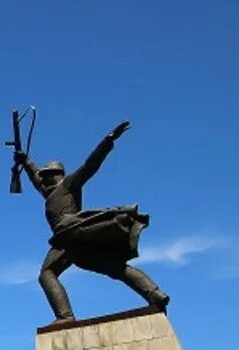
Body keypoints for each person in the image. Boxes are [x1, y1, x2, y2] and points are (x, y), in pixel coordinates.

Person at [14, 121, 170, 325]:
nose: (43, 179)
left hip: (70, 234)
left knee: (47, 274)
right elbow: (35, 179)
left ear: (57, 175)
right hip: (76, 244)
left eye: (47, 175)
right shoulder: (49, 193)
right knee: (114, 267)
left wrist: (108, 141)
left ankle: (65, 316)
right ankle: (155, 294)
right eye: (43, 176)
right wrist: (26, 161)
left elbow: (90, 166)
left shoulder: (68, 184)